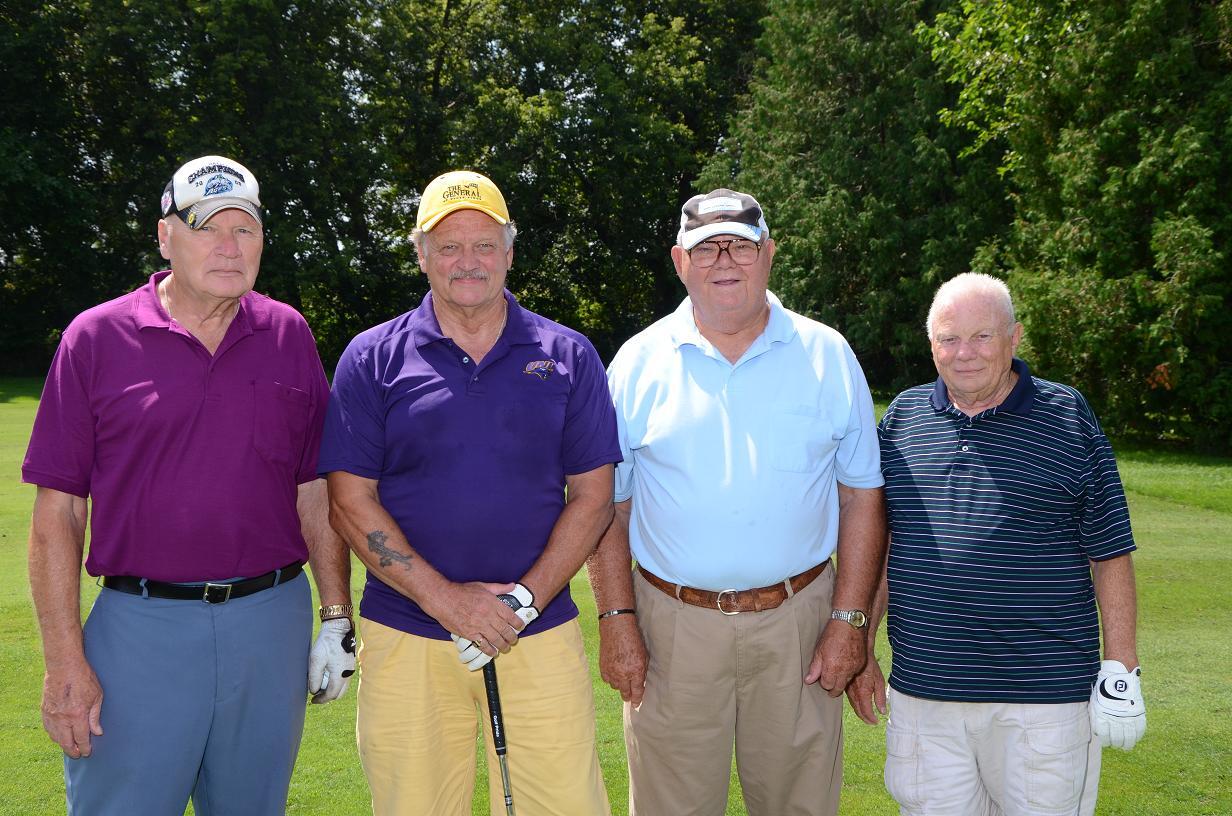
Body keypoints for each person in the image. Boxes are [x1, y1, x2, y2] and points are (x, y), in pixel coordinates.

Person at [22, 155, 355, 815]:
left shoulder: (287, 334)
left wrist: (336, 617)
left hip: (270, 623)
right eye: (207, 228)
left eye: (246, 229)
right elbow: (58, 514)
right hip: (140, 627)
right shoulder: (96, 337)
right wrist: (64, 661)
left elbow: (313, 490)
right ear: (165, 236)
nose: (229, 248)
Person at [320, 169, 620, 816]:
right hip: (407, 635)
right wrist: (450, 603)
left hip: (535, 631)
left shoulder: (567, 355)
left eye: (484, 244)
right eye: (448, 245)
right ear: (421, 254)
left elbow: (595, 497)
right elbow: (349, 501)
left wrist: (520, 601)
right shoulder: (372, 358)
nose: (468, 261)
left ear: (509, 253)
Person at [588, 188, 887, 816]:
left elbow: (861, 499)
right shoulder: (637, 363)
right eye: (707, 248)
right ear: (679, 261)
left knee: (799, 806)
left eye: (741, 245)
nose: (725, 260)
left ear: (769, 254)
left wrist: (850, 621)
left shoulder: (827, 354)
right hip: (671, 625)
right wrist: (616, 620)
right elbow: (605, 508)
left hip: (800, 620)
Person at [848, 272, 1145, 816]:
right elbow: (882, 549)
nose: (964, 353)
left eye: (982, 336)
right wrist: (862, 648)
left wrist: (1121, 669)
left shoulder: (1067, 416)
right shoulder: (901, 420)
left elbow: (1110, 549)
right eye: (948, 338)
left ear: (1015, 338)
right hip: (924, 695)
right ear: (930, 344)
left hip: (1044, 701)